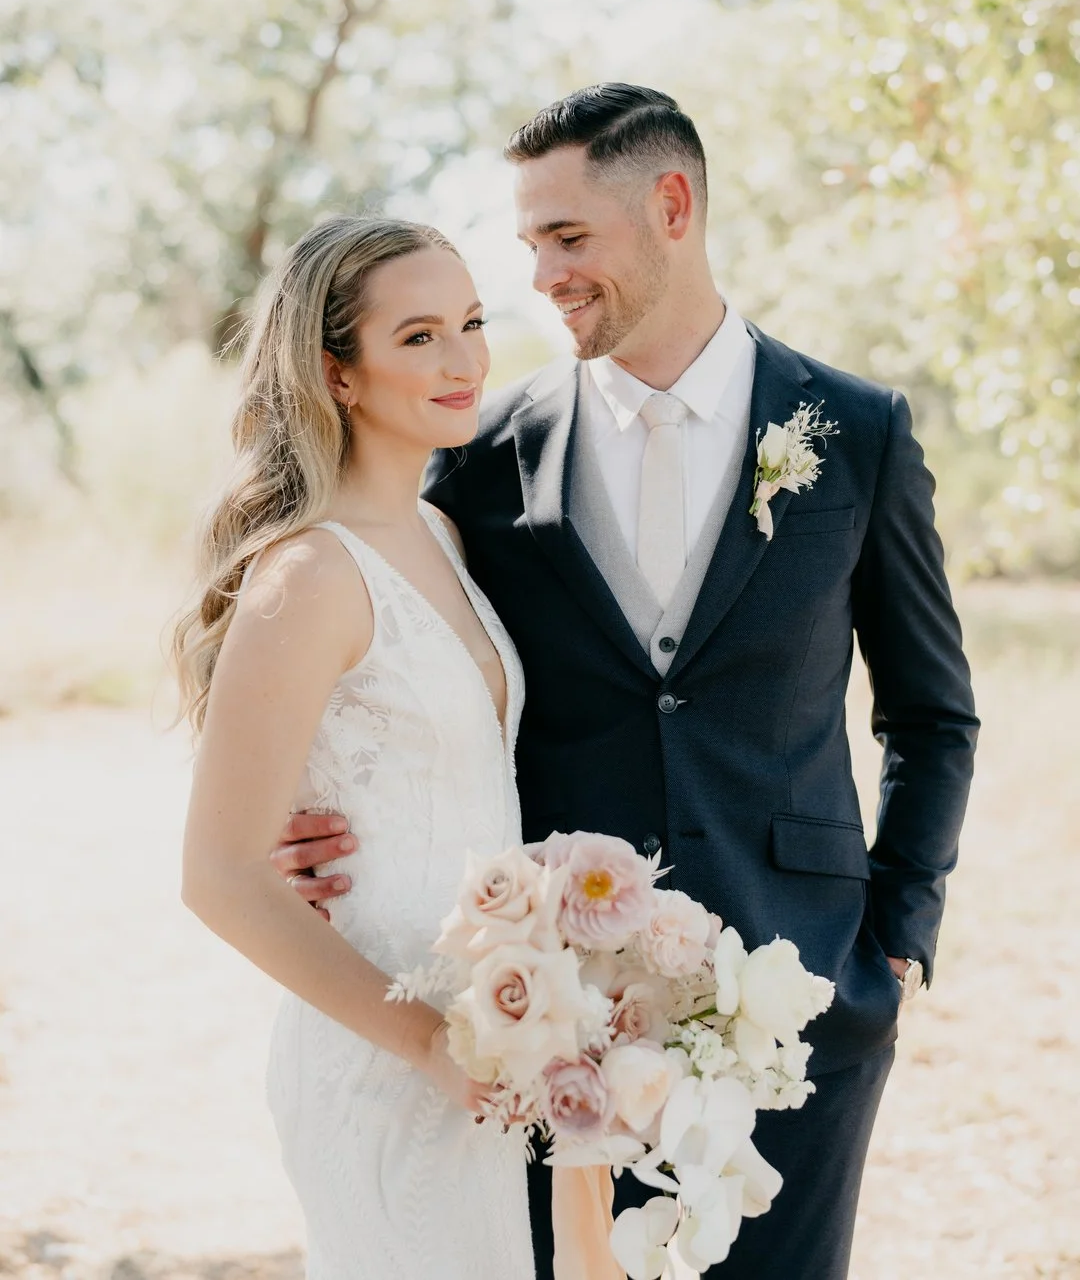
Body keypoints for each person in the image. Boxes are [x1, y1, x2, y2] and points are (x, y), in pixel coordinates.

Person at [273, 84, 979, 1280]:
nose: (541, 275)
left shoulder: (855, 432)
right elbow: (383, 652)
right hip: (551, 1015)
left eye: (567, 237)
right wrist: (301, 819)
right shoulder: (480, 456)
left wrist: (895, 942)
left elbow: (931, 711)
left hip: (800, 993)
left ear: (671, 205)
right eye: (530, 244)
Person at [175, 216, 535, 1280]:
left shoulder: (443, 536)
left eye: (471, 323)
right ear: (337, 372)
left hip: (491, 1045)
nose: (466, 359)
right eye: (419, 335)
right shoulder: (308, 577)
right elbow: (220, 874)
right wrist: (428, 1042)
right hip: (385, 1054)